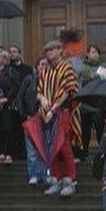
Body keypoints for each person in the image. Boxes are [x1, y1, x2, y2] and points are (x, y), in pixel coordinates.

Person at [28, 39, 79, 197]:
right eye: (47, 51)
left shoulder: (66, 67)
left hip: (61, 111)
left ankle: (70, 178)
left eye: (52, 50)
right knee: (50, 147)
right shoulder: (45, 70)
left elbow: (69, 90)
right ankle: (56, 177)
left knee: (62, 145)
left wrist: (54, 107)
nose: (49, 53)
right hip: (46, 111)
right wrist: (43, 101)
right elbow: (40, 90)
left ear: (59, 50)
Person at [19, 57, 47, 185]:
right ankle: (33, 174)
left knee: (45, 147)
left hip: (47, 118)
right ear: (36, 66)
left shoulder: (51, 80)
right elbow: (21, 97)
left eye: (46, 65)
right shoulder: (29, 79)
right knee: (32, 150)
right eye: (42, 64)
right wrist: (25, 114)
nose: (44, 67)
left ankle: (45, 173)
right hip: (31, 116)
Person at [78, 45, 106, 158]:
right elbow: (81, 79)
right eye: (92, 52)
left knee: (100, 128)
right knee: (85, 130)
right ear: (87, 54)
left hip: (99, 102)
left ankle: (101, 152)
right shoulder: (82, 67)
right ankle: (84, 152)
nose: (95, 54)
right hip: (86, 103)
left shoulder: (104, 66)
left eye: (97, 52)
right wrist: (93, 76)